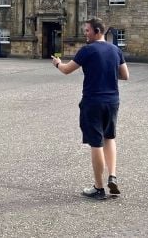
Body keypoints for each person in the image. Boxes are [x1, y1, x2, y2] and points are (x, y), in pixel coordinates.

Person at [52, 17, 129, 200]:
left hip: (93, 101)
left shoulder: (87, 51)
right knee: (109, 138)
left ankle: (99, 188)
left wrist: (57, 63)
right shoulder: (115, 49)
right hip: (112, 101)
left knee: (96, 143)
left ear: (97, 31)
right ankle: (112, 175)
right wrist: (107, 72)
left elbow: (66, 70)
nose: (85, 34)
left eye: (87, 30)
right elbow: (125, 75)